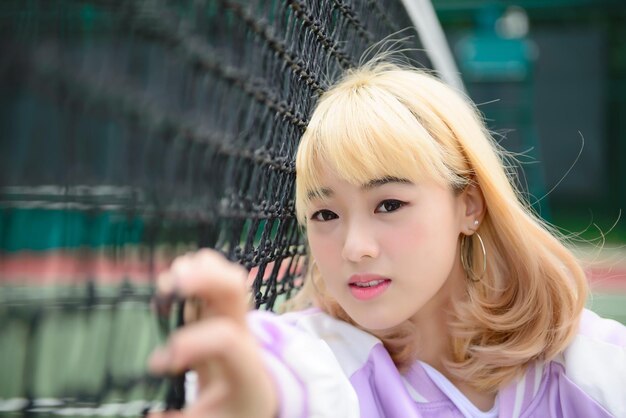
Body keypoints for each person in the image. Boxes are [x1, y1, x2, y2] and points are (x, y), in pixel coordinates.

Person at [147, 62, 626, 418]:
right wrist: (251, 393)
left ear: (470, 206)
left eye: (389, 205)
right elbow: (284, 376)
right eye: (325, 214)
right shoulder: (328, 359)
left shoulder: (583, 363)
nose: (356, 247)